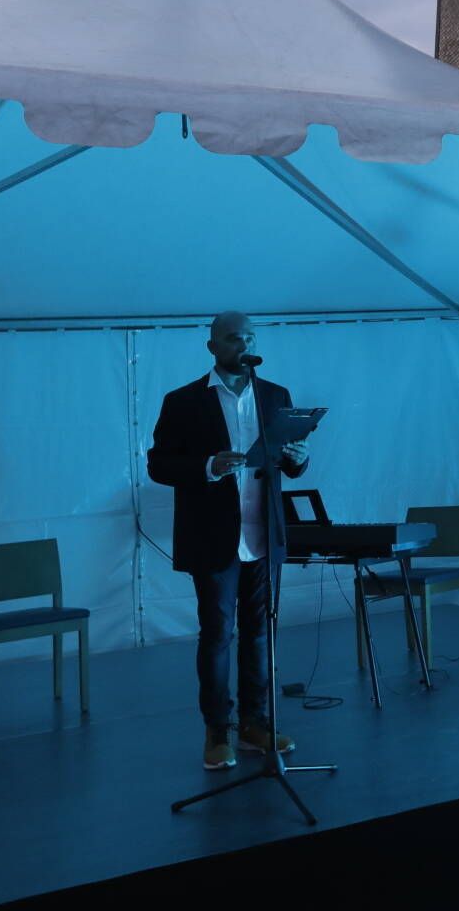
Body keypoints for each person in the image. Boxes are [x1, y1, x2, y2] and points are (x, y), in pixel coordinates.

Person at [146, 311, 310, 772]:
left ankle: (255, 724)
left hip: (263, 534)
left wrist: (299, 458)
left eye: (251, 338)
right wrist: (207, 466)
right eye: (235, 338)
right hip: (213, 536)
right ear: (213, 346)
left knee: (259, 633)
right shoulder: (182, 401)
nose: (245, 345)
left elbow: (287, 462)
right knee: (218, 634)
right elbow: (158, 465)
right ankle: (217, 730)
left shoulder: (274, 395)